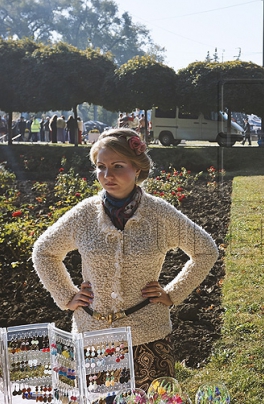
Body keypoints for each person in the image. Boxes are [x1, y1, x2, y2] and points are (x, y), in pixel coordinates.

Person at [32, 128, 218, 390]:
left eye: (117, 166)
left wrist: (173, 293)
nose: (107, 175)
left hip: (148, 337)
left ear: (137, 169)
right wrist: (66, 294)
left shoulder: (160, 215)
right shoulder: (84, 215)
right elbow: (44, 251)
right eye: (101, 167)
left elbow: (206, 250)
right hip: (92, 337)